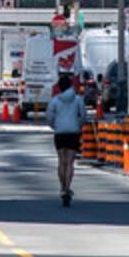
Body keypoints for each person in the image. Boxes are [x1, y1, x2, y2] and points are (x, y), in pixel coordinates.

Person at [46, 72, 85, 206]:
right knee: (70, 162)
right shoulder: (78, 99)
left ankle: (62, 188)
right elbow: (83, 116)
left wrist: (55, 126)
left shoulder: (55, 101)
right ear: (70, 85)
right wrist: (78, 126)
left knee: (61, 161)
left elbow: (49, 117)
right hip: (73, 132)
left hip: (60, 133)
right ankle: (68, 188)